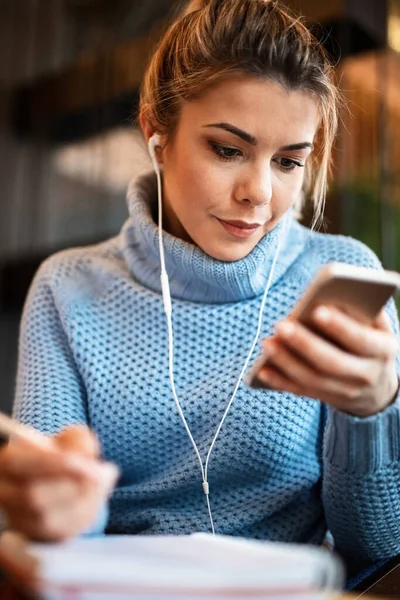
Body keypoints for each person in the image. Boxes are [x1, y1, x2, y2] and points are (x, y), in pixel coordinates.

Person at [0, 0, 399, 571]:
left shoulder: (339, 273)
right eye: (228, 149)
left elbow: (378, 550)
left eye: (288, 162)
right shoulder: (69, 289)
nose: (258, 193)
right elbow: (52, 538)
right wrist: (56, 510)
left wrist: (373, 412)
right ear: (155, 132)